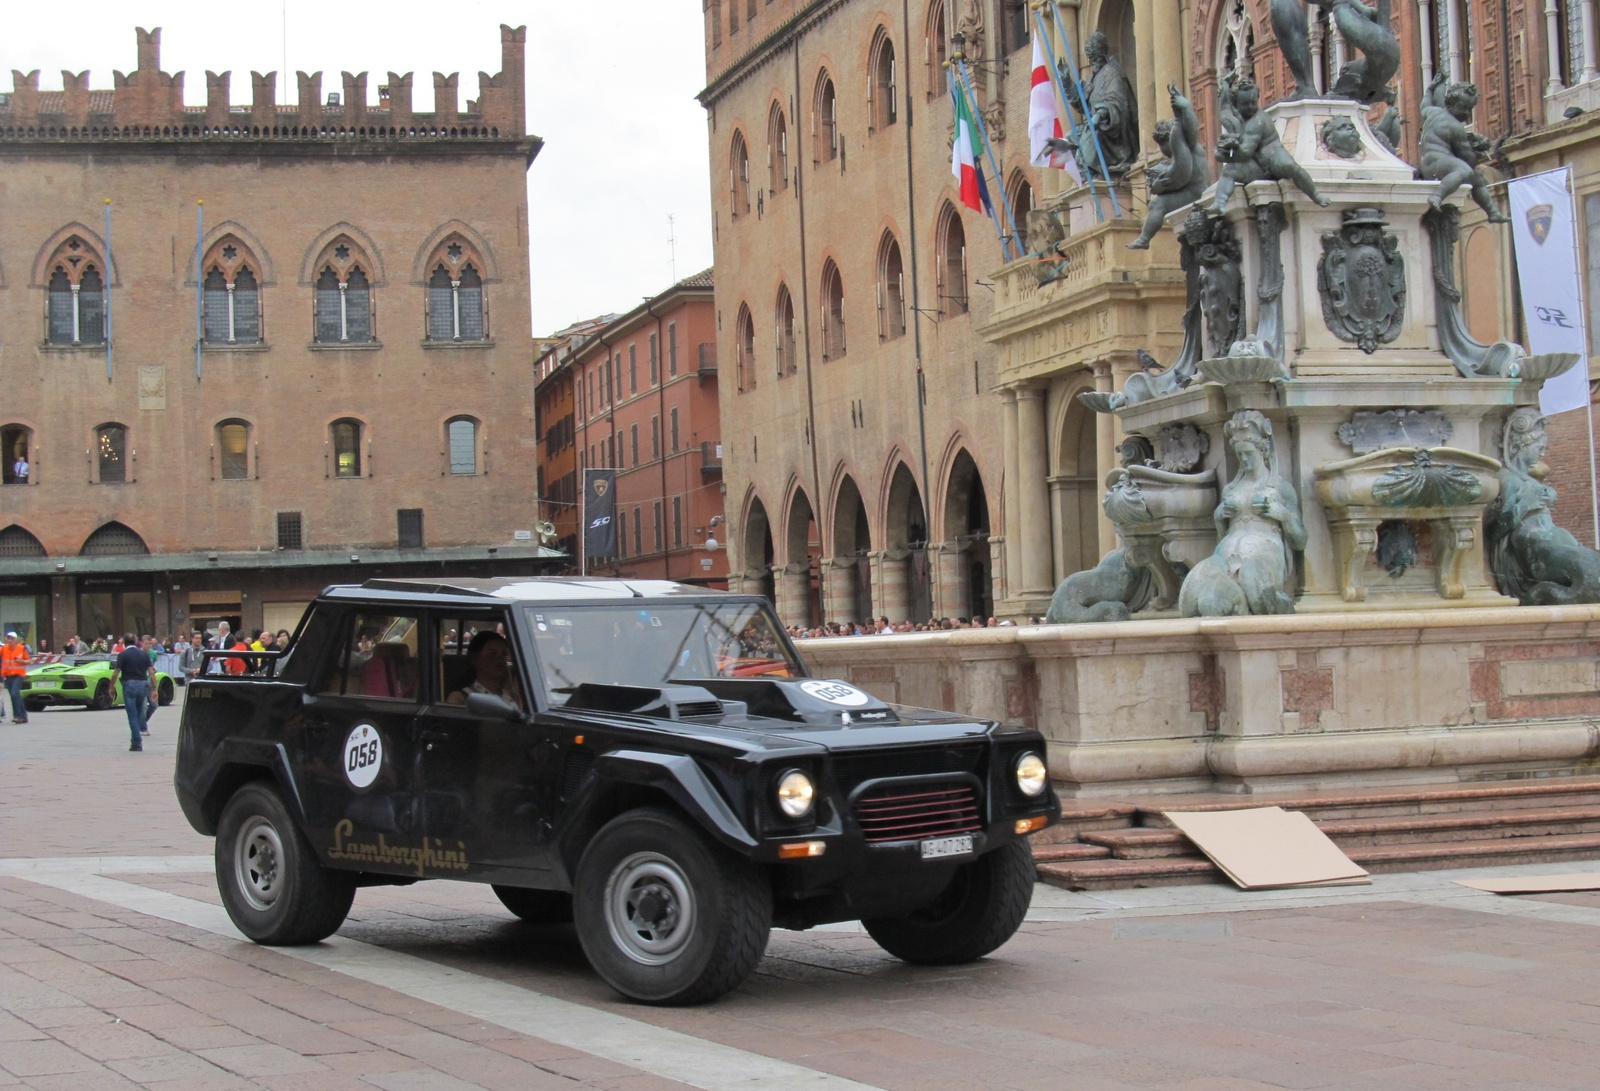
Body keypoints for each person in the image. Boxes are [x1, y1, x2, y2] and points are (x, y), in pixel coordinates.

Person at [447, 631, 523, 709]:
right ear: (475, 659)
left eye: (504, 654)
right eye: (492, 654)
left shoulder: (514, 697)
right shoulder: (461, 698)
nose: (499, 659)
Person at [111, 632, 155, 752]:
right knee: (140, 711)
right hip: (142, 684)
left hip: (129, 684)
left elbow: (116, 672)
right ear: (136, 642)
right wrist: (154, 688)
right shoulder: (143, 654)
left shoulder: (123, 655)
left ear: (124, 643)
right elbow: (151, 672)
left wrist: (111, 687)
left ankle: (136, 742)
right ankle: (139, 734)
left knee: (132, 714)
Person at [2, 631, 30, 724]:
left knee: (14, 694)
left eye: (11, 639)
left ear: (16, 640)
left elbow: (28, 661)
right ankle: (23, 716)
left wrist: (21, 661)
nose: (9, 640)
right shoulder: (4, 649)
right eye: (8, 638)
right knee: (14, 696)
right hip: (8, 676)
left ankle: (18, 716)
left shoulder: (22, 648)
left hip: (19, 675)